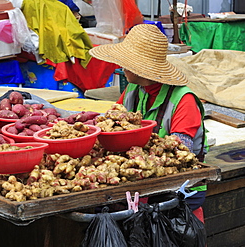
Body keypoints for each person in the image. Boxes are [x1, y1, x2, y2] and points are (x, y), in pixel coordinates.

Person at [89, 24, 208, 221]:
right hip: (143, 189)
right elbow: (111, 123)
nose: (122, 66)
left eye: (127, 62)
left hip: (179, 192)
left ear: (142, 68)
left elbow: (180, 152)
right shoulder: (133, 91)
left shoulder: (183, 100)